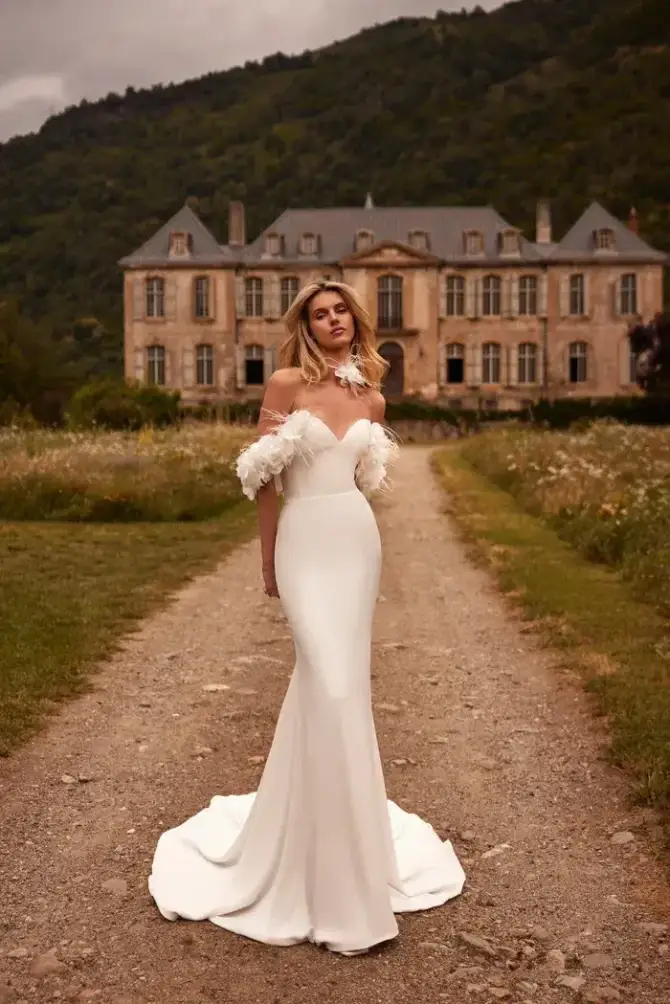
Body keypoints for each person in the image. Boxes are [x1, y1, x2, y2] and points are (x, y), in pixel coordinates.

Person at [148, 280, 465, 956]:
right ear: (307, 326)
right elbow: (264, 480)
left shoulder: (373, 396)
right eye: (320, 314)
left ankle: (348, 855)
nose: (333, 321)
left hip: (355, 547)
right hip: (302, 547)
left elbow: (362, 487)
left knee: (344, 691)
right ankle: (305, 861)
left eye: (340, 310)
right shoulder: (286, 383)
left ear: (354, 318)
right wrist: (268, 563)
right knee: (328, 681)